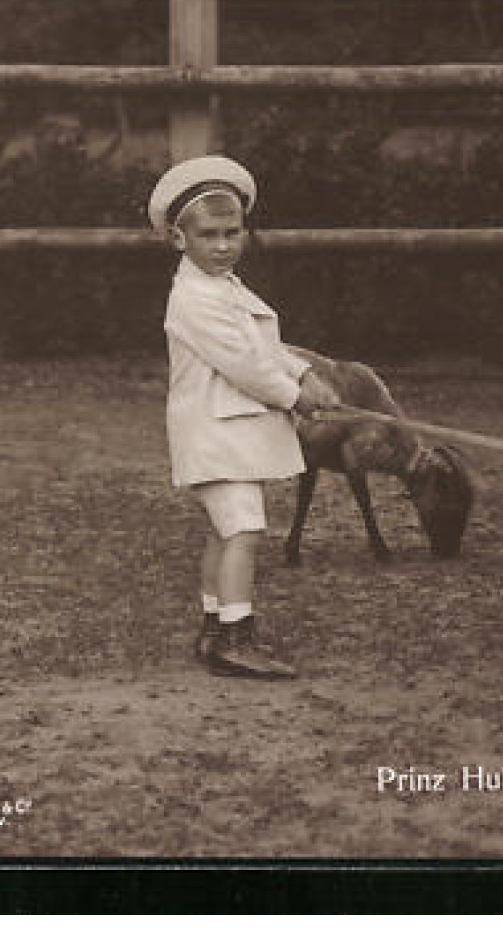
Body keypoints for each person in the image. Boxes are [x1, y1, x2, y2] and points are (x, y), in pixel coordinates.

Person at [148, 154, 340, 680]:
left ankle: (214, 627)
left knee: (224, 528)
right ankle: (236, 637)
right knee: (244, 529)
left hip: (230, 430)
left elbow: (263, 346)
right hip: (214, 431)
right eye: (208, 235)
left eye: (232, 232)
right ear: (179, 239)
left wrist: (303, 375)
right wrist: (293, 395)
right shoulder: (192, 297)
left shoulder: (224, 285)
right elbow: (245, 365)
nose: (223, 245)